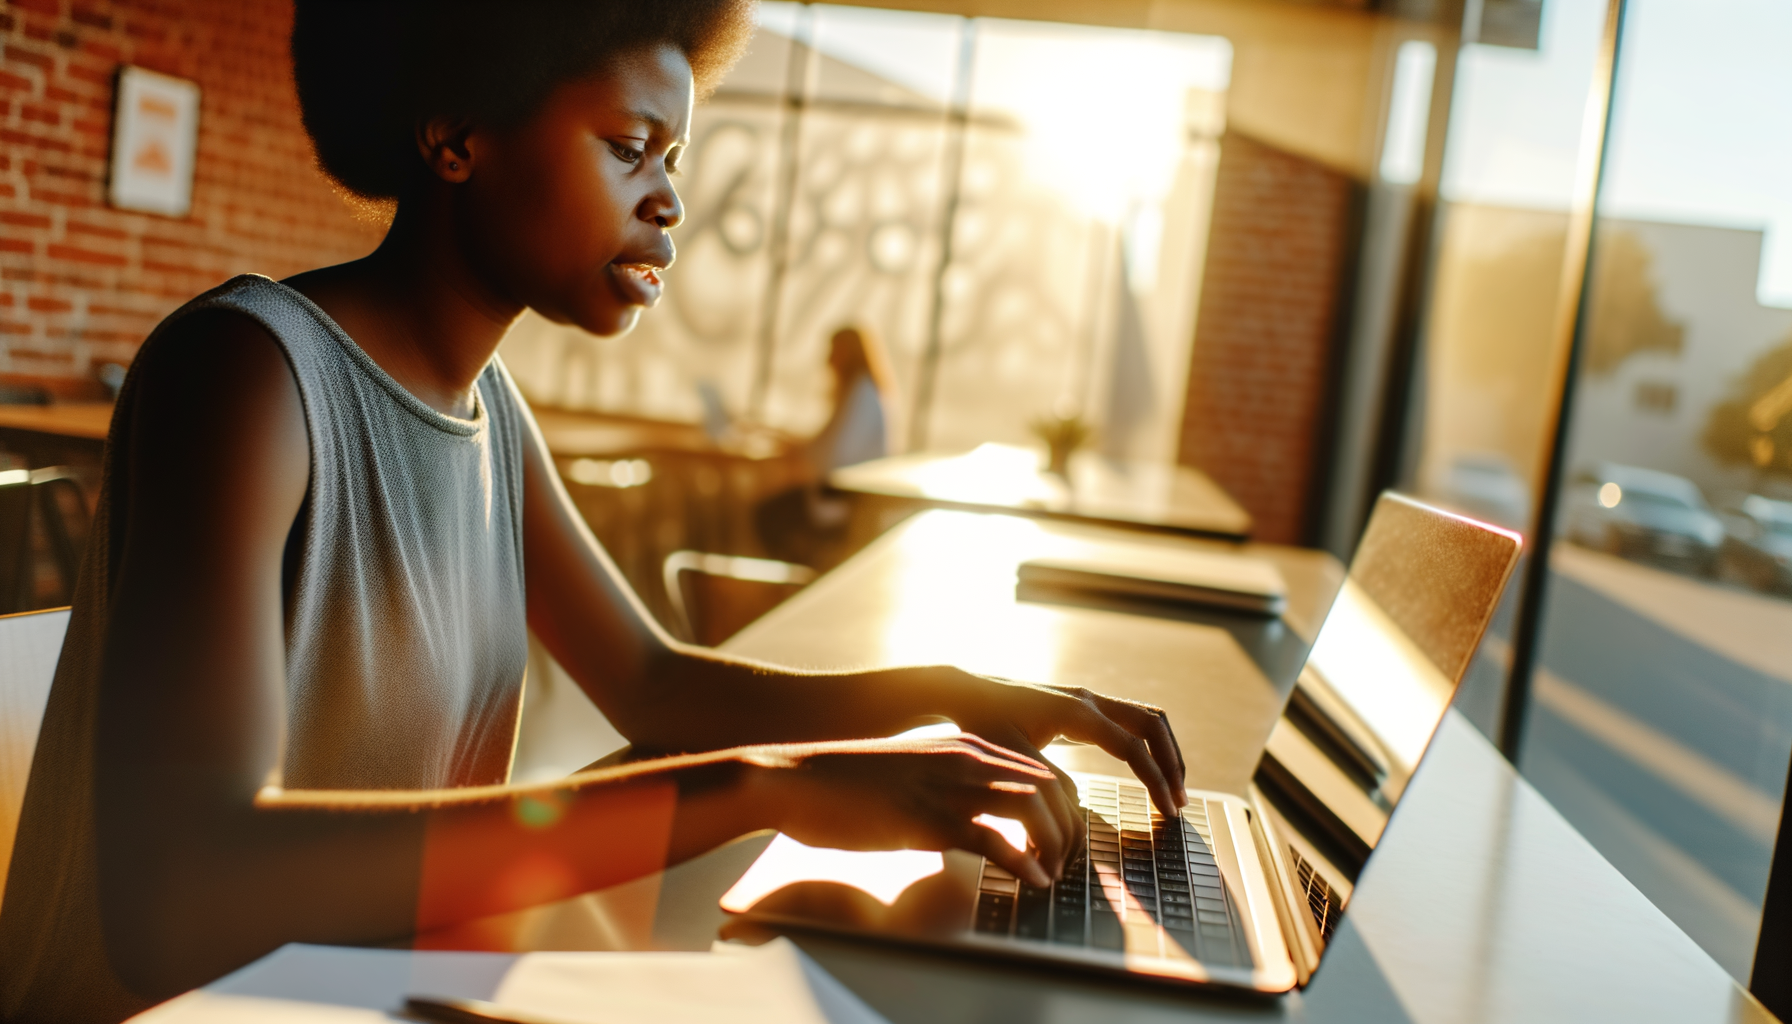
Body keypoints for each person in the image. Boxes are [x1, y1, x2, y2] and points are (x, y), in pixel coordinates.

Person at [0, 4, 1187, 1021]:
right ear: (456, 135)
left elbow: (658, 684)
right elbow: (182, 894)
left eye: (673, 153)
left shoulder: (490, 415)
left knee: (858, 936)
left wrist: (946, 698)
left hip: (373, 984)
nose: (667, 198)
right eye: (629, 147)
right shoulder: (249, 373)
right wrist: (763, 785)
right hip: (199, 1012)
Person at [755, 325, 895, 564]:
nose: (827, 359)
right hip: (841, 494)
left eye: (833, 351)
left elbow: (834, 454)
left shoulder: (861, 393)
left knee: (767, 515)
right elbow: (831, 444)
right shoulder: (859, 391)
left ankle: (795, 578)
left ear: (847, 353)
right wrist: (799, 446)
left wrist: (801, 452)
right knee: (772, 510)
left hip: (845, 501)